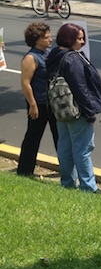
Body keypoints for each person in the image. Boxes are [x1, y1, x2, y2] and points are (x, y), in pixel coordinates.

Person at [46, 23, 101, 192]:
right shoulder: (72, 59)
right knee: (83, 148)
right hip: (76, 110)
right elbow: (81, 88)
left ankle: (67, 182)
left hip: (61, 109)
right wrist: (89, 111)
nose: (82, 41)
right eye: (79, 38)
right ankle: (88, 187)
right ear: (69, 39)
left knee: (65, 146)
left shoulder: (54, 56)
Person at [17, 22, 58, 176]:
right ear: (36, 40)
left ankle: (67, 169)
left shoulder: (48, 54)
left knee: (59, 136)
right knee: (33, 137)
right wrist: (32, 104)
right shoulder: (31, 58)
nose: (50, 39)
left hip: (52, 102)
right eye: (46, 37)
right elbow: (25, 83)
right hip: (38, 103)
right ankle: (25, 170)